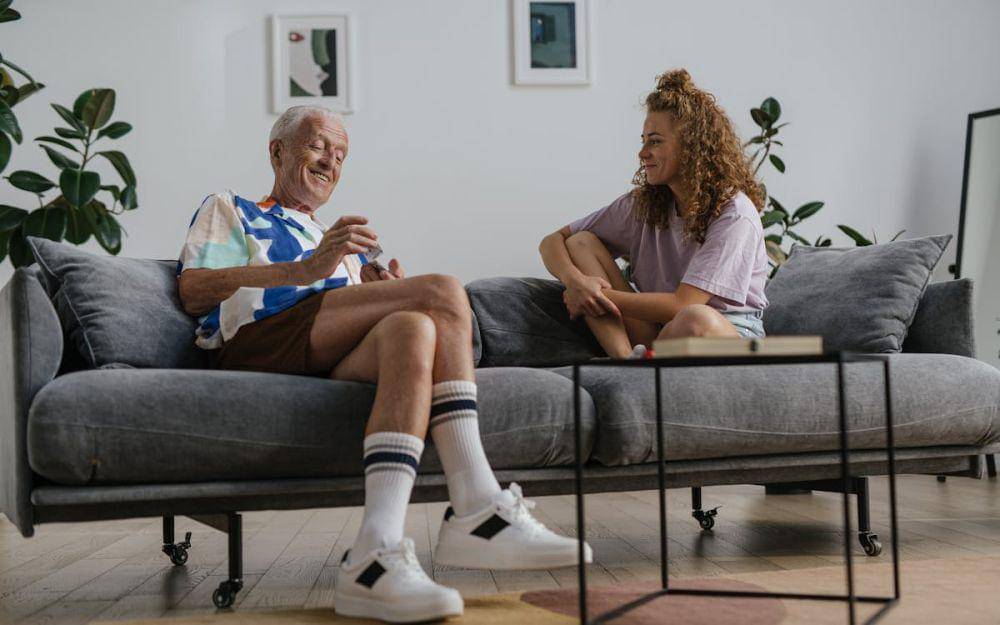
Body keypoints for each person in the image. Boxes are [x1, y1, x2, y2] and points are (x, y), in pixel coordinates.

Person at [176, 105, 590, 623]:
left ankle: (375, 555)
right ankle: (478, 506)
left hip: (318, 349)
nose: (330, 161)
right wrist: (304, 269)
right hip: (257, 342)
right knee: (443, 291)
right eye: (318, 146)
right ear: (277, 152)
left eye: (340, 155)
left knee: (412, 328)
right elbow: (193, 291)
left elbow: (346, 316)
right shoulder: (231, 207)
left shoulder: (339, 243)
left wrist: (384, 293)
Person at [539, 69, 769, 359]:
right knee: (580, 242)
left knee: (695, 318)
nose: (643, 153)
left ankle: (646, 363)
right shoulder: (644, 204)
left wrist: (593, 295)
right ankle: (626, 362)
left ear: (692, 147)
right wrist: (575, 281)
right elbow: (553, 241)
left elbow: (682, 305)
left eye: (655, 141)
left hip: (720, 333)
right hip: (657, 334)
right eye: (643, 140)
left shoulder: (735, 214)